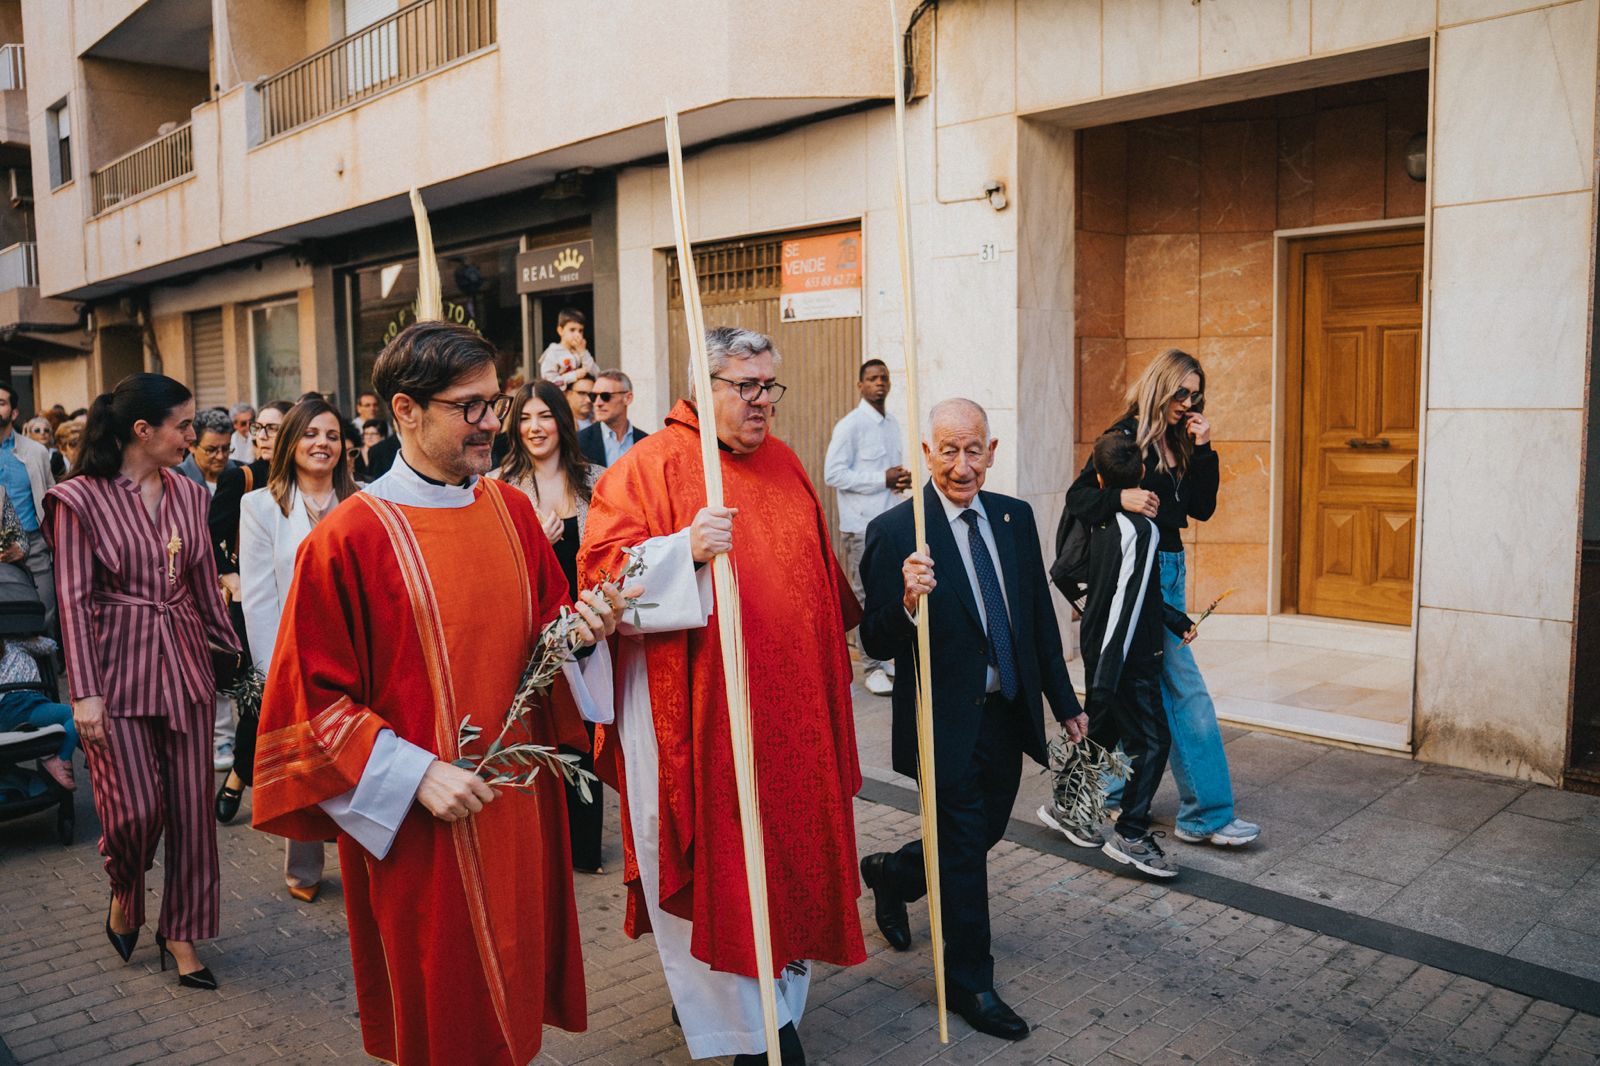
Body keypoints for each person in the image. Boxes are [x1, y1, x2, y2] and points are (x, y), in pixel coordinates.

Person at [251, 322, 630, 1066]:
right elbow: (311, 702)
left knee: (511, 996)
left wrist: (585, 633)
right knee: (445, 1015)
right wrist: (416, 772)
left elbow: (542, 643)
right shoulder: (350, 538)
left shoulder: (511, 512)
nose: (493, 423)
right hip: (421, 820)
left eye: (496, 402)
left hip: (514, 807)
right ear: (406, 410)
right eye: (471, 407)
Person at [580, 326, 865, 1065]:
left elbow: (822, 591)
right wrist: (684, 552)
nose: (762, 401)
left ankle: (775, 1009)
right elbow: (600, 583)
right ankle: (747, 1034)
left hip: (791, 720)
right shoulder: (648, 467)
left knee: (785, 866)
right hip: (699, 719)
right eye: (745, 386)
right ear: (702, 388)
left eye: (770, 386)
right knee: (722, 868)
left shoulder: (786, 463)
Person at [857, 398, 1087, 1042]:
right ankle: (969, 983)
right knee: (963, 852)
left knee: (980, 833)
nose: (963, 466)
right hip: (943, 720)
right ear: (926, 453)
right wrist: (907, 600)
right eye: (949, 451)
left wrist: (1065, 703)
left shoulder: (1014, 518)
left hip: (1006, 713)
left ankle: (893, 873)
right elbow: (873, 639)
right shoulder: (897, 531)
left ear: (992, 451)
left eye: (974, 450)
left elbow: (1036, 621)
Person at [46, 373, 240, 990]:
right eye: (183, 426)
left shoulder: (189, 494)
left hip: (184, 663)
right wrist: (84, 693)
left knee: (191, 812)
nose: (192, 436)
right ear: (142, 430)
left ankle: (181, 933)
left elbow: (202, 584)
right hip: (115, 670)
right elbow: (73, 601)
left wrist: (239, 658)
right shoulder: (78, 500)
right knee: (135, 812)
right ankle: (125, 888)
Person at [1066, 348, 1259, 848]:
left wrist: (1206, 447)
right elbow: (1078, 498)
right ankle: (1207, 814)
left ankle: (1098, 791)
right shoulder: (1124, 437)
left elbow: (1202, 508)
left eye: (1195, 394)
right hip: (1139, 575)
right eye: (1181, 392)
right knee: (1184, 691)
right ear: (1160, 386)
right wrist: (1120, 497)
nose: (1188, 402)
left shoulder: (1182, 439)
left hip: (1169, 570)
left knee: (1138, 688)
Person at [1040, 431, 1193, 879]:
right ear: (1142, 473)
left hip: (1108, 646)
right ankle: (1131, 833)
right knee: (1152, 741)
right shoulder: (1140, 530)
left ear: (1101, 478)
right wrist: (1105, 681)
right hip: (1124, 656)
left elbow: (1133, 592)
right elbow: (1124, 605)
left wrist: (1174, 618)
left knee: (1105, 732)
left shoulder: (1104, 521)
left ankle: (1067, 805)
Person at [237, 397, 357, 903]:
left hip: (355, 650)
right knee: (303, 761)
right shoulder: (260, 506)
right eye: (310, 434)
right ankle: (303, 867)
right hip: (296, 653)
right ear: (290, 442)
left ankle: (361, 864)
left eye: (331, 435)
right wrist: (272, 673)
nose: (322, 443)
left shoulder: (362, 500)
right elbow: (259, 594)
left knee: (356, 758)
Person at [494, 379, 606, 874]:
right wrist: (532, 541)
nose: (534, 427)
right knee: (536, 733)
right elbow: (492, 567)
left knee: (586, 734)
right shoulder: (498, 487)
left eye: (544, 416)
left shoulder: (597, 480)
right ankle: (540, 846)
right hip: (528, 633)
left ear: (562, 420)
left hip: (589, 631)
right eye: (524, 418)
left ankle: (584, 849)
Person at [209, 401, 290, 811]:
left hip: (295, 595)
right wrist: (230, 576)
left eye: (273, 428)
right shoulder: (241, 477)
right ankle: (241, 773)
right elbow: (208, 536)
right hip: (252, 601)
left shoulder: (304, 477)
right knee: (259, 694)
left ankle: (246, 774)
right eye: (259, 427)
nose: (262, 435)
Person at [824, 359, 911, 697]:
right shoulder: (851, 425)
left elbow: (888, 473)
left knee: (891, 592)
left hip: (889, 522)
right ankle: (871, 667)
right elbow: (833, 474)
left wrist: (897, 481)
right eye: (872, 379)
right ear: (860, 385)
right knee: (865, 596)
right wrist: (881, 478)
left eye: (884, 378)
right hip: (860, 525)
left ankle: (884, 659)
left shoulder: (892, 423)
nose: (879, 383)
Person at [177, 407, 242, 770]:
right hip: (189, 580)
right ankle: (212, 736)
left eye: (226, 448)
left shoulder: (239, 474)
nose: (220, 456)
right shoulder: (176, 477)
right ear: (193, 446)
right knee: (201, 658)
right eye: (211, 449)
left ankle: (227, 737)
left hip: (230, 584)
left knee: (226, 657)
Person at [0, 488, 72, 790]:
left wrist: (16, 550)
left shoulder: (0, 495)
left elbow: (21, 540)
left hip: (10, 592)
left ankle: (45, 766)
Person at [0, 382, 57, 635]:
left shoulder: (36, 452)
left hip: (34, 544)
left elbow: (50, 496)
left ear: (14, 412)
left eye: (1, 403)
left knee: (44, 613)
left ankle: (47, 659)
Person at [577, 368, 647, 468]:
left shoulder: (645, 442)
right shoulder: (579, 442)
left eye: (605, 396)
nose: (598, 403)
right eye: (593, 396)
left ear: (628, 398)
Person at [539, 307, 601, 387]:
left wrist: (583, 352)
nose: (577, 335)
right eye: (572, 330)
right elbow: (549, 382)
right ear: (560, 331)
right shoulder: (553, 353)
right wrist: (574, 375)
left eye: (580, 331)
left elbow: (597, 375)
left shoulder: (581, 351)